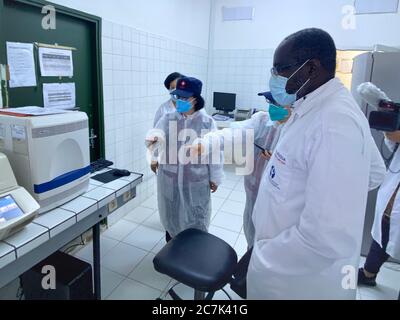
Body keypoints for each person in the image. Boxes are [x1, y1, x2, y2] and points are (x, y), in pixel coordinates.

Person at [246, 28, 386, 300]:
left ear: (311, 69)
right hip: (284, 265)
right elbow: (374, 172)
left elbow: (326, 238)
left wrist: (263, 258)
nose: (274, 78)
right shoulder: (314, 106)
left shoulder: (333, 122)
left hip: (294, 280)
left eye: (280, 69)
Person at [195, 97, 291, 249]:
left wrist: (279, 161)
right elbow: (235, 132)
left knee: (269, 242)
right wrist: (207, 141)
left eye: (278, 104)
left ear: (294, 105)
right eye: (271, 103)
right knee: (251, 232)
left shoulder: (298, 131)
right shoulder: (262, 120)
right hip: (253, 190)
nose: (272, 107)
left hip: (278, 201)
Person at [146, 77, 224, 241]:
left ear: (195, 98)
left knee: (196, 221)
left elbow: (215, 153)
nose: (179, 101)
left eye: (184, 97)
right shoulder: (168, 119)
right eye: (177, 97)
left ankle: (193, 257)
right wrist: (152, 144)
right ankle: (172, 254)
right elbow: (154, 138)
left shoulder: (206, 122)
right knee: (171, 218)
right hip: (170, 180)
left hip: (195, 181)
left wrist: (215, 177)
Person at [359, 131, 400, 286]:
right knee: (385, 223)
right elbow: (391, 145)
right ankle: (369, 273)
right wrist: (390, 130)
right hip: (394, 186)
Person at [151, 72, 184, 180]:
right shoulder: (163, 109)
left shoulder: (193, 107)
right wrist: (154, 158)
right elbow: (156, 135)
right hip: (167, 157)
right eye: (172, 88)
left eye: (178, 86)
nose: (175, 90)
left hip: (190, 159)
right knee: (169, 193)